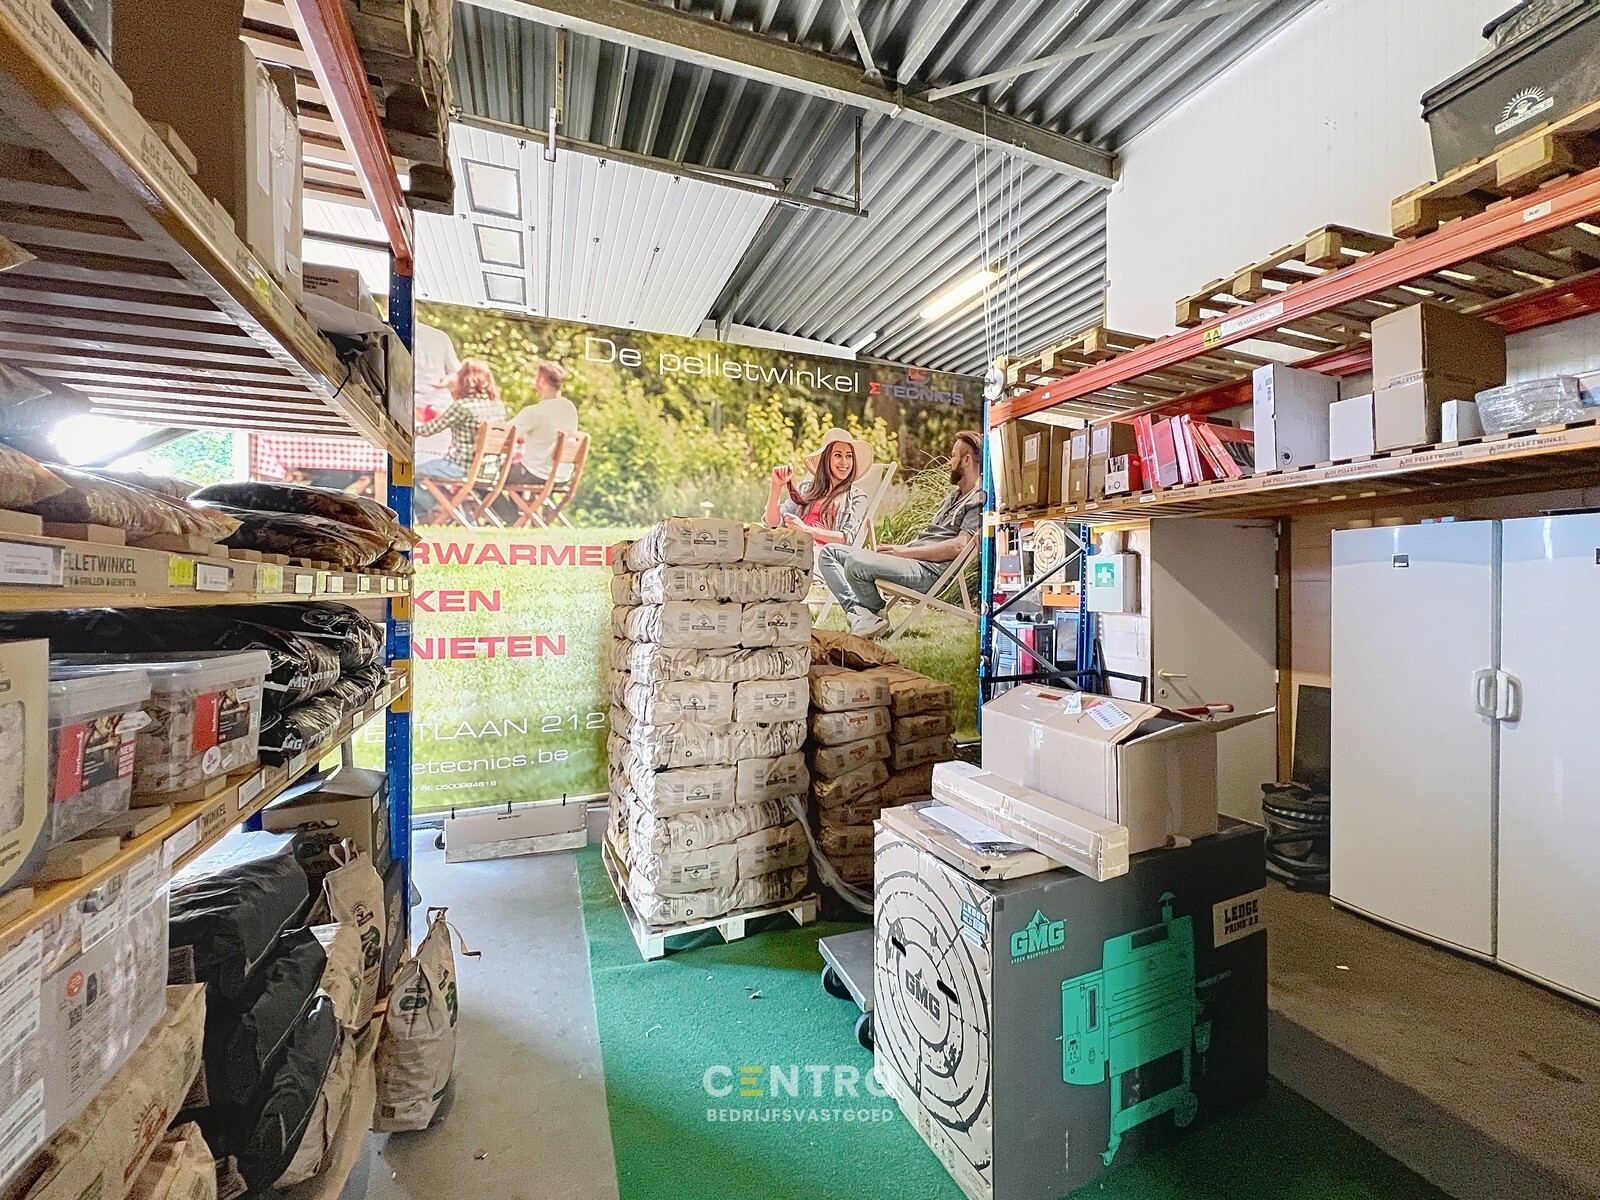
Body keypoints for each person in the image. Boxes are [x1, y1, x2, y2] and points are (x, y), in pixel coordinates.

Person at [817, 430, 984, 640]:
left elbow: (959, 546)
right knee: (829, 552)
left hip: (929, 572)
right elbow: (929, 538)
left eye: (953, 456)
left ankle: (874, 614)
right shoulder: (955, 496)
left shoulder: (978, 500)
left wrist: (903, 553)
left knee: (856, 563)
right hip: (913, 561)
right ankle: (860, 613)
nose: (949, 463)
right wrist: (898, 550)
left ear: (966, 460)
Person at [765, 427, 871, 549]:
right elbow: (772, 523)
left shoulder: (857, 497)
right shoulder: (806, 489)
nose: (844, 462)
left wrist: (805, 529)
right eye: (838, 455)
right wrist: (776, 486)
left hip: (824, 555)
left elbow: (846, 538)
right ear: (826, 459)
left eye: (849, 456)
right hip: (792, 549)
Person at [415, 359, 506, 479]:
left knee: (413, 472)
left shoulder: (463, 406)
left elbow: (428, 430)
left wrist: (412, 429)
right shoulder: (498, 406)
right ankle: (440, 492)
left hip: (463, 469)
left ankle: (433, 493)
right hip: (490, 472)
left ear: (463, 380)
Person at [508, 361, 579, 483]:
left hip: (537, 474)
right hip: (562, 477)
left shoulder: (536, 411)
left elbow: (505, 435)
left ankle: (501, 498)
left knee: (489, 475)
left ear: (541, 381)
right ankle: (518, 498)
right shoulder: (569, 408)